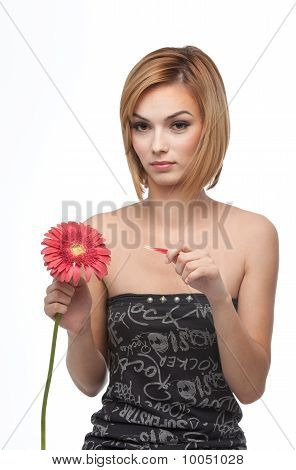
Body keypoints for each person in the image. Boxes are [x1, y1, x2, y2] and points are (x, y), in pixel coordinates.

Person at [44, 45, 279, 450]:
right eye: (141, 126)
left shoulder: (254, 235)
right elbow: (88, 383)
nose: (156, 146)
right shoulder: (99, 234)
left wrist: (219, 298)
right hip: (114, 451)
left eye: (178, 125)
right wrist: (79, 327)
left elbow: (251, 388)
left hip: (214, 454)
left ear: (211, 127)